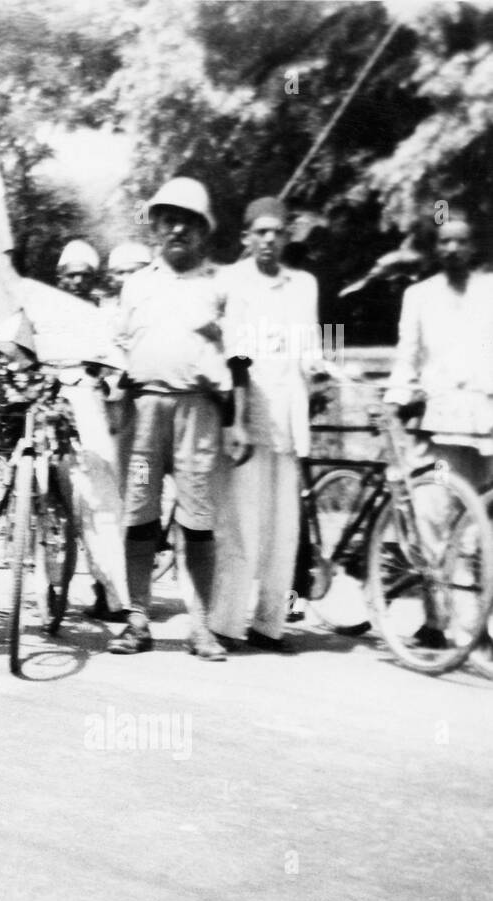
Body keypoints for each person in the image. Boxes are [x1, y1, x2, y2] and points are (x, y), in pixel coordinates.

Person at [109, 176, 239, 661]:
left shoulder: (221, 285)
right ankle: (137, 619)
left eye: (188, 221)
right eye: (169, 220)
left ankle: (201, 627)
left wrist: (238, 417)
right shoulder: (136, 284)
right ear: (156, 228)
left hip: (198, 414)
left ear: (204, 231)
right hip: (144, 413)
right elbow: (117, 351)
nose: (178, 229)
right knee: (139, 513)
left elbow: (241, 357)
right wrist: (113, 405)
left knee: (199, 520)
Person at [210, 197, 320, 653]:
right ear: (246, 238)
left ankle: (269, 625)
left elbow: (311, 346)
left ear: (288, 235)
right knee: (241, 525)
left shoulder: (304, 284)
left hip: (290, 421)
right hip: (248, 416)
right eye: (261, 232)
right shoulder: (232, 281)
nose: (270, 239)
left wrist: (326, 371)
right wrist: (234, 419)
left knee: (284, 529)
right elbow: (230, 349)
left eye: (278, 231)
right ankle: (225, 623)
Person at [384, 211, 493, 648]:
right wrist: (394, 406)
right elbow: (406, 357)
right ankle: (441, 623)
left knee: (478, 530)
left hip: (484, 428)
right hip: (439, 429)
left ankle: (474, 626)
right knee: (435, 521)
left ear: (474, 247)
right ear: (435, 248)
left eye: (461, 241)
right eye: (445, 242)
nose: (452, 249)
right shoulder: (419, 296)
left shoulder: (489, 292)